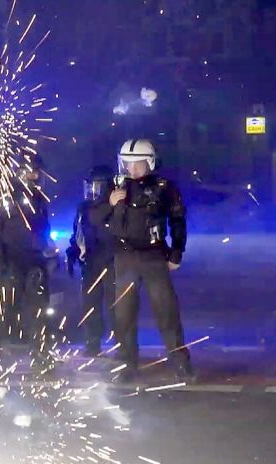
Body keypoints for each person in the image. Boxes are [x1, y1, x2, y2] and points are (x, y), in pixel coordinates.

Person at [99, 139, 194, 381]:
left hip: (154, 256)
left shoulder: (164, 187)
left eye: (138, 164)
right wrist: (110, 203)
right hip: (124, 257)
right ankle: (126, 363)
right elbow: (94, 218)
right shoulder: (113, 187)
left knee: (167, 311)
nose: (132, 169)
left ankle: (180, 362)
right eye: (127, 164)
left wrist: (176, 252)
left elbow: (178, 221)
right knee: (123, 314)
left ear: (150, 162)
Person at [0, 155, 51, 343]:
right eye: (32, 172)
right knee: (8, 306)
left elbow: (43, 226)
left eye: (37, 172)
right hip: (13, 258)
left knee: (38, 305)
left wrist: (45, 250)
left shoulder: (38, 197)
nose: (35, 176)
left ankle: (39, 347)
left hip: (35, 258)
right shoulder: (8, 197)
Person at [67, 165, 117, 357]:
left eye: (97, 186)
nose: (92, 191)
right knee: (90, 305)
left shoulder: (116, 206)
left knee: (116, 306)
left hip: (112, 261)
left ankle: (122, 345)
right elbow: (78, 233)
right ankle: (92, 343)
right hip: (90, 263)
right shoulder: (84, 207)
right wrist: (72, 252)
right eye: (90, 186)